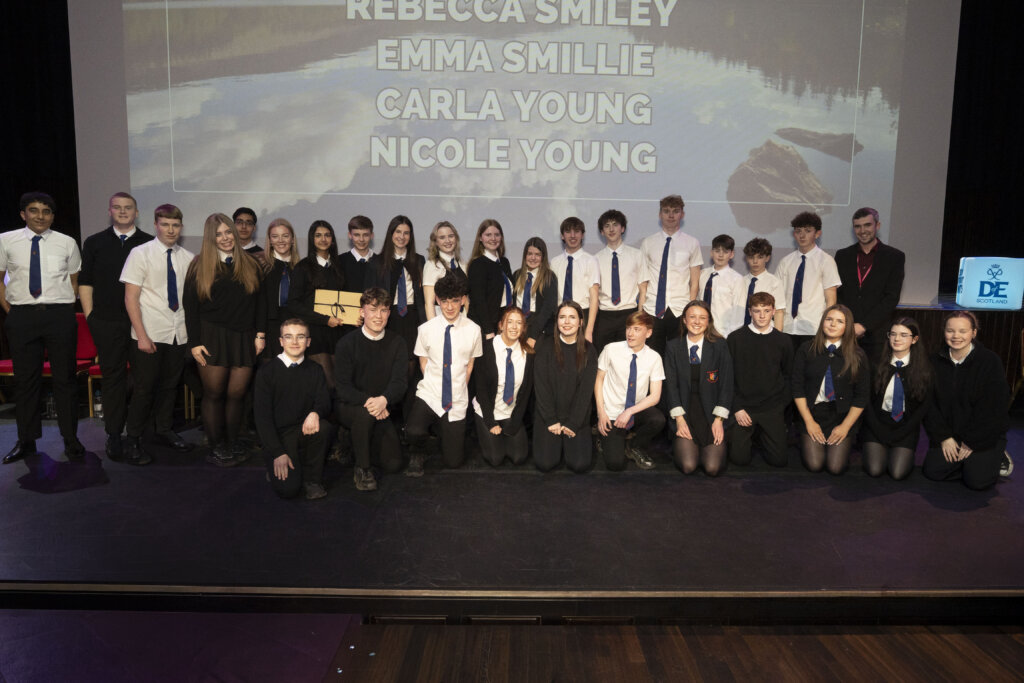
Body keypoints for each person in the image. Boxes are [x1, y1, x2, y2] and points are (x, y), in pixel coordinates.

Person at [0, 192, 85, 463]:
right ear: (23, 214)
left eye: (46, 211)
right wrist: (12, 312)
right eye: (34, 210)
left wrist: (64, 308)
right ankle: (26, 441)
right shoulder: (5, 240)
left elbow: (74, 282)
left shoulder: (67, 242)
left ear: (53, 215)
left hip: (59, 316)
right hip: (21, 316)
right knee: (25, 382)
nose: (40, 216)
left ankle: (71, 440)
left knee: (66, 380)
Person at [184, 213, 266, 467]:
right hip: (211, 337)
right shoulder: (199, 265)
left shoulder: (251, 264)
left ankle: (231, 442)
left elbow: (260, 304)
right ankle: (216, 444)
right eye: (218, 234)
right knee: (214, 394)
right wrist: (194, 343)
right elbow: (190, 308)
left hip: (244, 338)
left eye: (228, 232)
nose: (225, 238)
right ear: (211, 238)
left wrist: (260, 334)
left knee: (237, 394)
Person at [79, 191, 153, 460]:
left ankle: (136, 435)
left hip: (143, 324)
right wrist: (91, 317)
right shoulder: (95, 242)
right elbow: (85, 282)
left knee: (144, 381)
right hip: (107, 322)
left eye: (128, 208)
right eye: (117, 207)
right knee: (113, 380)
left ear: (136, 212)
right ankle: (113, 435)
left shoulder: (149, 242)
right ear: (110, 211)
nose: (123, 212)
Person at [119, 203, 194, 465]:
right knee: (143, 389)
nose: (170, 230)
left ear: (181, 227)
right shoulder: (140, 254)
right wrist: (141, 335)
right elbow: (131, 298)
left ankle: (163, 429)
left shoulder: (188, 257)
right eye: (165, 224)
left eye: (175, 225)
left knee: (170, 386)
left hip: (178, 334)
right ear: (155, 225)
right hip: (148, 333)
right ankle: (134, 439)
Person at [405, 272, 483, 475]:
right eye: (445, 301)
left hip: (456, 397)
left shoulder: (474, 330)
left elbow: (470, 366)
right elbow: (423, 363)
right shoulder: (426, 329)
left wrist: (455, 390)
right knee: (412, 430)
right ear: (438, 300)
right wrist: (439, 388)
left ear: (463, 300)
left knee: (453, 462)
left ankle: (445, 432)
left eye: (455, 301)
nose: (449, 307)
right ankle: (418, 449)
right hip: (430, 393)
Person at [923, 311, 1011, 490]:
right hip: (950, 435)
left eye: (963, 331)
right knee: (933, 472)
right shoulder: (933, 361)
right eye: (950, 331)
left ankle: (996, 456)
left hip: (981, 434)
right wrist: (944, 437)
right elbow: (928, 404)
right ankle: (971, 464)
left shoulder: (990, 361)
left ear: (974, 333)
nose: (956, 336)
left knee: (978, 482)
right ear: (944, 332)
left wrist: (971, 441)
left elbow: (994, 409)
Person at [334, 288, 408, 491]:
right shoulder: (347, 343)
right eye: (373, 309)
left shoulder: (397, 342)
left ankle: (353, 444)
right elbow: (342, 388)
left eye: (384, 310)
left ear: (389, 314)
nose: (378, 316)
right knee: (364, 416)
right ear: (361, 312)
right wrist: (373, 402)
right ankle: (362, 468)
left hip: (381, 407)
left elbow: (400, 383)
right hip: (350, 406)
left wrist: (384, 400)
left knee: (394, 465)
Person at [254, 318, 331, 500]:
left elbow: (325, 401)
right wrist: (277, 452)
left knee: (325, 427)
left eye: (300, 337)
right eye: (289, 337)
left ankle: (313, 479)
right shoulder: (267, 372)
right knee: (289, 490)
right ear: (281, 341)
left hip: (303, 432)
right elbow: (262, 419)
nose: (295, 342)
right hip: (278, 437)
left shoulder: (315, 369)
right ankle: (276, 466)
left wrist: (315, 413)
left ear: (308, 341)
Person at [792, 304, 868, 475]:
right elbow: (797, 388)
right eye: (829, 319)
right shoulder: (806, 349)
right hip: (812, 413)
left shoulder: (858, 355)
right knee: (815, 465)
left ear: (847, 326)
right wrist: (809, 422)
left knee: (835, 468)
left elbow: (861, 396)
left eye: (840, 321)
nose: (833, 324)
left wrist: (845, 427)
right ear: (822, 322)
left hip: (841, 416)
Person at [664, 300, 733, 476]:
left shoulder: (719, 345)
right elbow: (670, 386)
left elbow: (726, 384)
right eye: (692, 317)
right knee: (688, 466)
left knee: (712, 468)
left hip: (711, 412)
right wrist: (679, 420)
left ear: (708, 321)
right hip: (685, 412)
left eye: (702, 318)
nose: (697, 321)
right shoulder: (673, 346)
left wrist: (719, 420)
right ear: (684, 321)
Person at [726, 292, 793, 469]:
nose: (762, 315)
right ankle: (751, 436)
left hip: (771, 407)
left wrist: (779, 406)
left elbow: (788, 375)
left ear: (773, 312)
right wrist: (737, 407)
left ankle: (762, 435)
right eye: (757, 311)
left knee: (779, 461)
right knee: (739, 460)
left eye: (766, 310)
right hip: (743, 409)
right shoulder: (735, 339)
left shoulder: (783, 340)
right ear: (750, 312)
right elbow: (727, 377)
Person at [862, 317, 932, 480]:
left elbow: (923, 407)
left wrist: (902, 432)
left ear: (914, 339)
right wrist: (877, 429)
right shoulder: (875, 363)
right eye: (893, 334)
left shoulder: (925, 369)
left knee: (897, 473)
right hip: (876, 425)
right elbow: (866, 401)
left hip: (905, 428)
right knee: (875, 470)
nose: (897, 339)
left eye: (903, 335)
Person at [595, 311, 666, 470]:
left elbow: (655, 396)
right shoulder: (611, 349)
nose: (630, 333)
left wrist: (629, 412)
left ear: (648, 333)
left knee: (657, 419)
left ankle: (634, 445)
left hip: (634, 409)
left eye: (636, 329)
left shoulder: (654, 357)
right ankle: (603, 437)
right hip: (612, 411)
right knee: (615, 464)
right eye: (628, 328)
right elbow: (598, 380)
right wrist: (601, 412)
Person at [533, 301, 598, 473]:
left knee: (579, 465)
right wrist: (551, 419)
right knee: (545, 464)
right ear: (557, 322)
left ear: (580, 322)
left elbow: (586, 391)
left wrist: (574, 423)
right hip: (549, 415)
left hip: (576, 416)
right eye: (562, 317)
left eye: (572, 317)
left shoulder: (589, 350)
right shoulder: (544, 347)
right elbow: (541, 386)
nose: (567, 322)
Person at [834, 207, 906, 362]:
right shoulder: (842, 256)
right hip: (846, 332)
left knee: (874, 382)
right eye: (857, 226)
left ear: (877, 226)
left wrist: (864, 325)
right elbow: (838, 293)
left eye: (867, 225)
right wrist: (848, 324)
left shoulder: (895, 257)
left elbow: (891, 298)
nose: (862, 230)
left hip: (877, 335)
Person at [286, 220, 347, 387]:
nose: (323, 239)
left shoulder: (339, 267)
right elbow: (293, 304)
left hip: (338, 333)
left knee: (340, 384)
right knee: (327, 385)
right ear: (312, 239)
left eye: (327, 235)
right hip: (315, 332)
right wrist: (324, 319)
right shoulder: (303, 267)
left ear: (333, 239)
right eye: (318, 235)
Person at [473, 306, 535, 467]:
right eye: (510, 322)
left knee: (519, 457)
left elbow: (526, 392)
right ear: (501, 325)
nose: (514, 327)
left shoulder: (528, 353)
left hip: (510, 412)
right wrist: (490, 422)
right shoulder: (486, 349)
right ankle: (490, 434)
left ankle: (505, 436)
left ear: (523, 328)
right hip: (487, 410)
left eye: (519, 323)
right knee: (496, 459)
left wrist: (515, 421)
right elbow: (481, 389)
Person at [640, 195, 702, 354]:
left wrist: (691, 309)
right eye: (666, 211)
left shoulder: (692, 243)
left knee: (679, 357)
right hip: (652, 308)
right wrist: (641, 310)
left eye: (676, 211)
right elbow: (643, 281)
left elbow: (695, 282)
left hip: (680, 309)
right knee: (651, 356)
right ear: (660, 214)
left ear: (682, 214)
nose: (671, 215)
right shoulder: (648, 242)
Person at [775, 212, 841, 350]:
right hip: (787, 327)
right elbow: (776, 298)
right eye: (798, 231)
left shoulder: (826, 261)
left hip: (813, 328)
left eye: (807, 231)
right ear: (794, 234)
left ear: (817, 234)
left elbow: (831, 300)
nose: (802, 235)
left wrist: (826, 328)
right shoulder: (785, 262)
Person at [594, 209, 647, 352]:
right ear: (602, 232)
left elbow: (643, 289)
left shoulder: (637, 255)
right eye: (607, 226)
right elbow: (594, 293)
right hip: (604, 315)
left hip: (629, 313)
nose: (611, 229)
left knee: (629, 357)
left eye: (615, 224)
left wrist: (640, 317)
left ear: (622, 228)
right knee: (603, 358)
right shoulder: (595, 259)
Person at [549, 217, 600, 342]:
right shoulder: (555, 262)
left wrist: (589, 330)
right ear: (562, 236)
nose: (572, 236)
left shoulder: (591, 260)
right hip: (559, 316)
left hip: (583, 314)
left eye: (576, 231)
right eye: (568, 231)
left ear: (582, 235)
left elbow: (594, 298)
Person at [466, 218, 514, 339]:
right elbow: (479, 301)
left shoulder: (504, 262)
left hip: (503, 321)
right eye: (488, 235)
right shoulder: (477, 264)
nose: (493, 238)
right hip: (486, 326)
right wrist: (488, 330)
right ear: (480, 238)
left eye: (497, 235)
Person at [261, 218, 301, 360]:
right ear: (270, 241)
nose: (281, 240)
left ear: (292, 239)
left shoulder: (301, 267)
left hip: (295, 325)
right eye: (275, 236)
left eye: (285, 236)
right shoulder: (261, 266)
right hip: (269, 327)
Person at [511, 236, 558, 348]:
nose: (533, 258)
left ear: (543, 257)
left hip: (539, 330)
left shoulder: (549, 277)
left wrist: (533, 335)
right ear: (525, 256)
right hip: (517, 326)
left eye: (537, 254)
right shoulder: (517, 275)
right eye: (530, 254)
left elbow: (548, 309)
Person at [697, 234, 746, 337]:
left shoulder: (737, 279)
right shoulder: (702, 274)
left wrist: (726, 335)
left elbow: (738, 313)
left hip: (722, 333)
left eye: (725, 251)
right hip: (699, 330)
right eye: (717, 251)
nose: (720, 255)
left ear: (731, 254)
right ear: (711, 252)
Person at [423, 220, 467, 320]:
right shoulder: (432, 265)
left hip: (462, 319)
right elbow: (429, 303)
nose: (448, 241)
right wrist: (433, 329)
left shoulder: (462, 264)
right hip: (441, 319)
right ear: (436, 242)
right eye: (442, 237)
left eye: (451, 236)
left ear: (456, 239)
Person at [740, 238, 785, 331]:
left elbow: (779, 312)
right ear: (746, 258)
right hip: (742, 332)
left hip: (766, 332)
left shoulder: (775, 282)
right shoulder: (740, 281)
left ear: (767, 258)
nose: (755, 261)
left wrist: (778, 338)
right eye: (751, 257)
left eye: (760, 257)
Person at [338, 215, 375, 303]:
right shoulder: (339, 262)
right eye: (357, 235)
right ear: (350, 235)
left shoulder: (381, 262)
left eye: (365, 235)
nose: (361, 239)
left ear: (372, 235)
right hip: (346, 314)